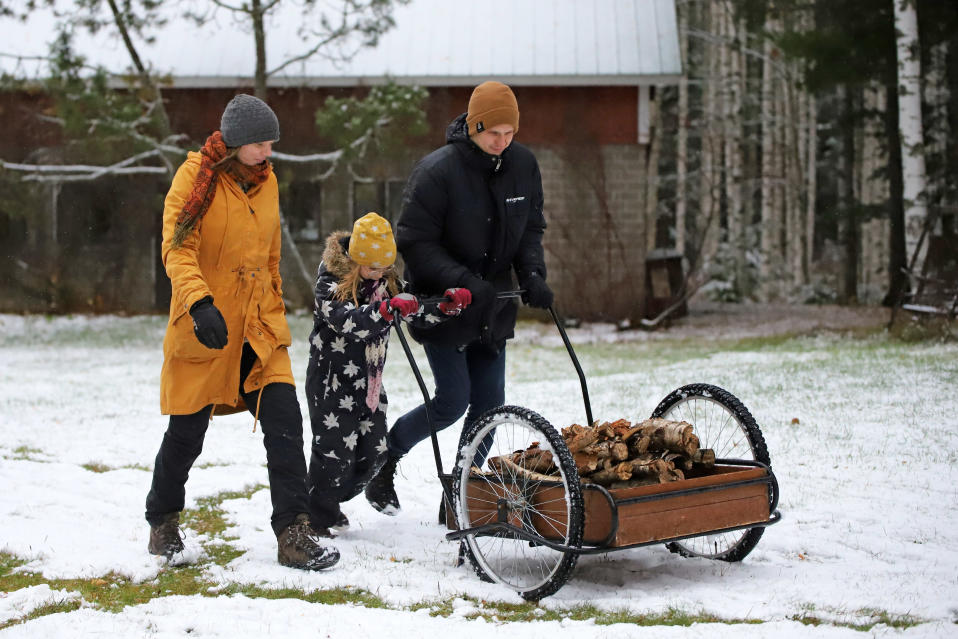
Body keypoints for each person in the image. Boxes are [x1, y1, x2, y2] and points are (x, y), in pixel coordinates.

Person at [144, 93, 339, 571]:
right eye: (259, 143)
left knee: (285, 420)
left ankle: (294, 532)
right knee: (187, 433)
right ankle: (162, 521)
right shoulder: (195, 180)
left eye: (271, 142)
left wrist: (273, 304)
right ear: (234, 143)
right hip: (206, 325)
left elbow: (270, 257)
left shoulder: (267, 183)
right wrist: (199, 303)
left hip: (258, 327)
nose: (268, 152)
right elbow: (177, 250)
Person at [364, 80, 554, 515]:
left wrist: (532, 272)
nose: (502, 143)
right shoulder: (437, 171)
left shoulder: (523, 165)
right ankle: (385, 460)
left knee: (489, 405)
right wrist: (464, 279)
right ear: (474, 126)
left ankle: (461, 492)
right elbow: (415, 242)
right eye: (493, 134)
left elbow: (530, 228)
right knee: (452, 401)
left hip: (495, 304)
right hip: (444, 304)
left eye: (509, 134)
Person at [305, 212, 471, 531]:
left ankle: (334, 497)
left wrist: (447, 307)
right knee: (334, 453)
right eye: (370, 267)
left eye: (383, 267)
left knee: (376, 451)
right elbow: (345, 319)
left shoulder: (387, 283)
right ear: (354, 259)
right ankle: (318, 511)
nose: (376, 273)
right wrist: (383, 311)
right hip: (332, 384)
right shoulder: (331, 282)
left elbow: (415, 311)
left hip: (369, 384)